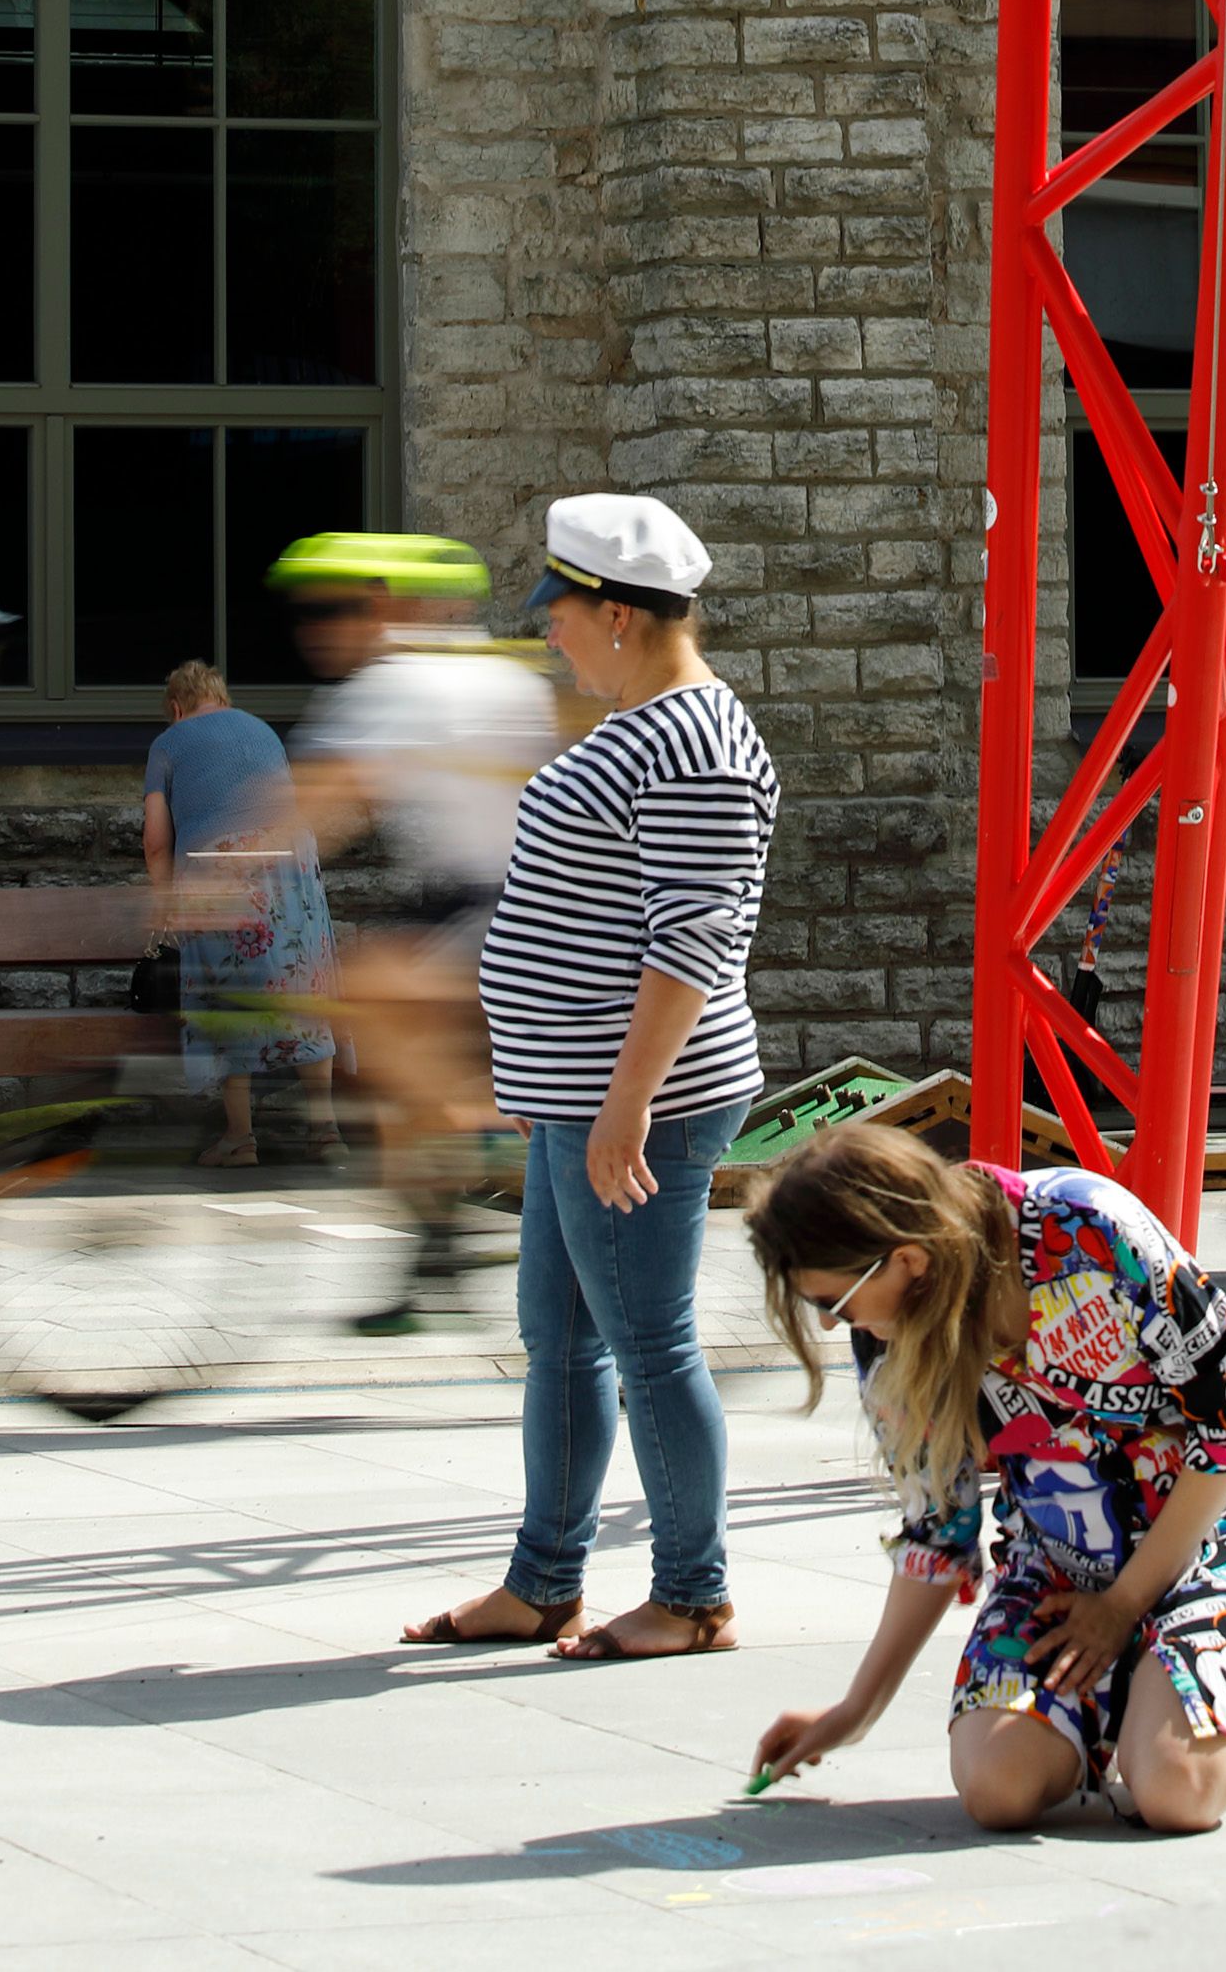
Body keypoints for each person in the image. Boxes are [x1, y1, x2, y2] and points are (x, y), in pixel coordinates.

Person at [402, 492, 778, 1663]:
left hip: (640, 1102)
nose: (546, 633)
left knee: (647, 1340)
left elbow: (690, 941)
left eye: (557, 610)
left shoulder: (699, 742)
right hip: (585, 1093)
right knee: (563, 1337)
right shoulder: (642, 725)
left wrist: (623, 1106)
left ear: (617, 615)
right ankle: (544, 1581)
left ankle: (693, 1594)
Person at [745, 1123, 1226, 1831]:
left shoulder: (1089, 1227)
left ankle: (1214, 1671)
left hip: (1218, 1526)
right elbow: (937, 1529)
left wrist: (1124, 1606)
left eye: (833, 1301)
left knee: (1176, 1789)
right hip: (1065, 1555)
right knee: (997, 1786)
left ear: (909, 1259)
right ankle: (1142, 1684)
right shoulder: (885, 1342)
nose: (835, 1326)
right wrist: (855, 1709)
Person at [275, 530, 561, 1328]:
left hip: (494, 904)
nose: (313, 628)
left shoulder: (403, 678)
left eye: (330, 608)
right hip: (512, 902)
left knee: (368, 991)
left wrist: (201, 888)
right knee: (391, 1064)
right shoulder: (500, 670)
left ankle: (489, 1138)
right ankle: (429, 1252)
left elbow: (314, 804)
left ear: (385, 604)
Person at [143, 659, 342, 1168]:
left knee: (227, 994)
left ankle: (239, 1138)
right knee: (304, 989)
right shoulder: (261, 730)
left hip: (220, 865)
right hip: (293, 862)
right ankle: (325, 1133)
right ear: (221, 698)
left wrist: (164, 906)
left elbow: (155, 841)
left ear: (175, 706)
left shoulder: (168, 743)